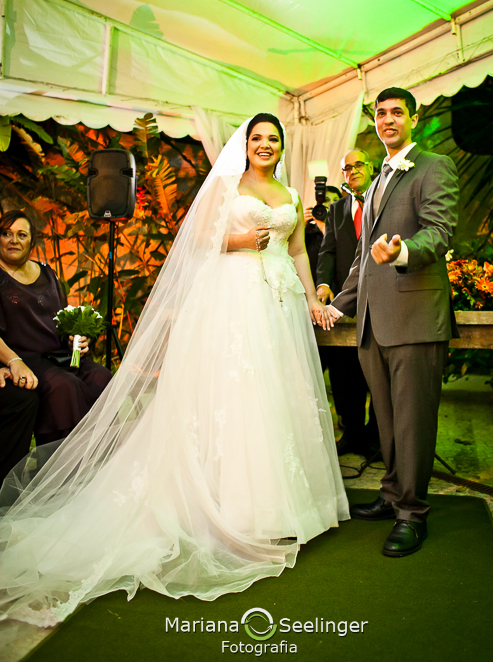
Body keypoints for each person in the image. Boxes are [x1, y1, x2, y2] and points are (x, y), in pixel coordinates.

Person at [0, 114, 349, 627]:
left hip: (280, 304)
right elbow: (198, 243)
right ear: (245, 144)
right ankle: (232, 509)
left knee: (278, 398)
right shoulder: (225, 186)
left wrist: (313, 301)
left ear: (281, 146)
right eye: (257, 138)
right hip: (233, 299)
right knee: (237, 397)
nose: (265, 146)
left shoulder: (289, 193)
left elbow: (296, 249)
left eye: (273, 139)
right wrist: (239, 243)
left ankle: (285, 508)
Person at [329, 88, 459, 557]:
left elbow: (439, 232)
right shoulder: (378, 174)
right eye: (381, 113)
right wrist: (338, 306)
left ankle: (412, 512)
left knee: (412, 421)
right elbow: (363, 259)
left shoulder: (432, 166)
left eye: (396, 113)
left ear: (414, 119)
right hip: (371, 322)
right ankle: (389, 494)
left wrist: (402, 251)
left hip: (414, 318)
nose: (387, 120)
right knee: (385, 419)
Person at [0, 210, 112, 448]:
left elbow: (62, 319)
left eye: (21, 235)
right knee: (64, 387)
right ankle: (59, 467)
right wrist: (12, 362)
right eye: (6, 234)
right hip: (25, 358)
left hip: (59, 354)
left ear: (31, 242)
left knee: (102, 376)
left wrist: (76, 340)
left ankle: (101, 458)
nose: (14, 240)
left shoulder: (47, 272)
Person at [316, 149, 379, 457]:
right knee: (344, 373)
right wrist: (324, 284)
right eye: (346, 168)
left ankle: (377, 438)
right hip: (344, 303)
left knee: (378, 374)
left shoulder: (383, 199)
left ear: (371, 168)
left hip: (381, 300)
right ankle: (352, 433)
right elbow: (327, 251)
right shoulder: (337, 209)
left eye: (358, 165)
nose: (352, 171)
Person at [304, 186, 341, 284]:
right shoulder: (310, 231)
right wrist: (301, 225)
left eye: (336, 201)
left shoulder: (344, 230)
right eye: (326, 200)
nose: (331, 204)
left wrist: (324, 228)